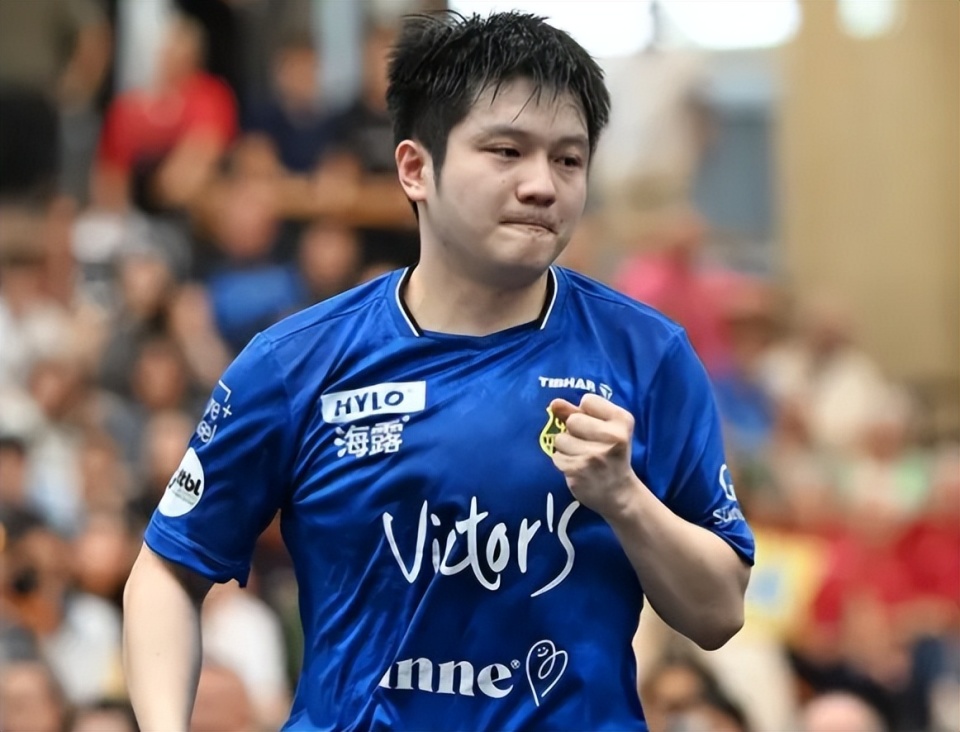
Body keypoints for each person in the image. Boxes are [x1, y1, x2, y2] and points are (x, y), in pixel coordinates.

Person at [123, 11, 754, 731]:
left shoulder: (648, 356)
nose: (542, 185)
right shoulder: (294, 364)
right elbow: (166, 570)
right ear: (416, 169)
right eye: (507, 151)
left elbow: (718, 612)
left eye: (569, 160)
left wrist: (624, 498)